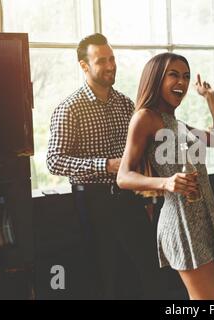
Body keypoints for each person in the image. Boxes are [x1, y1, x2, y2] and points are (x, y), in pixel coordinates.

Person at [47, 33, 163, 299]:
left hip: (131, 199)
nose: (111, 66)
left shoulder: (125, 104)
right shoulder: (69, 109)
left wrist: (147, 198)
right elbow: (54, 160)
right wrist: (106, 165)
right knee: (103, 277)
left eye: (112, 58)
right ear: (84, 66)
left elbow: (141, 152)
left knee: (146, 271)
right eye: (101, 61)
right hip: (93, 202)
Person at [117, 52, 214, 300]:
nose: (182, 82)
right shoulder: (144, 118)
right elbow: (123, 176)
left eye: (186, 76)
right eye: (174, 75)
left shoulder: (175, 123)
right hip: (181, 223)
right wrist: (166, 182)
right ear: (156, 78)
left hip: (200, 219)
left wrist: (210, 99)